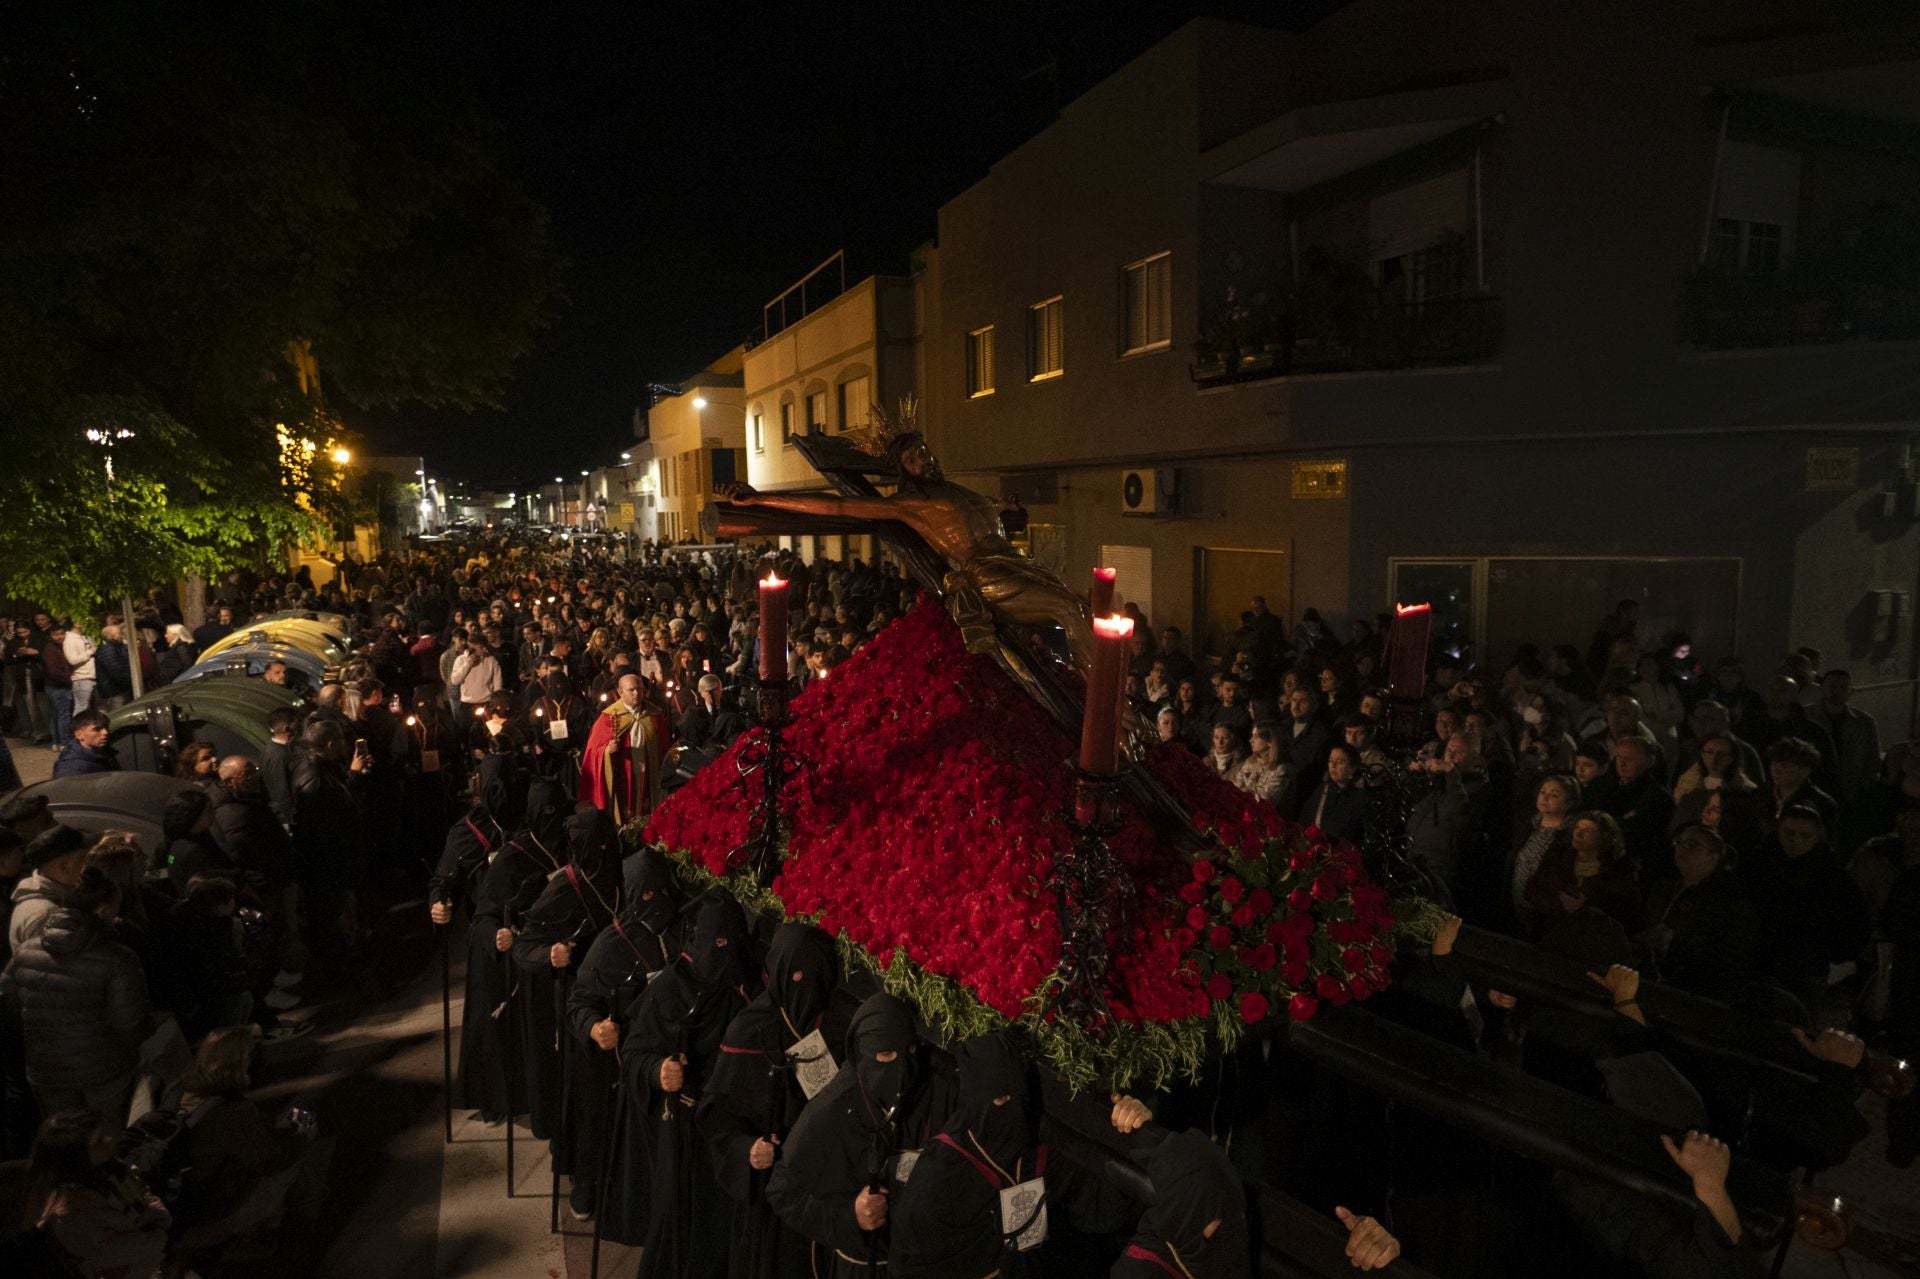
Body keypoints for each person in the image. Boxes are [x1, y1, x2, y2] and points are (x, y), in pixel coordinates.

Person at [697, 922, 842, 1278]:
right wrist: (747, 1149)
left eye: (813, 976)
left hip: (821, 1189)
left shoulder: (835, 1028)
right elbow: (717, 1116)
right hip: (768, 1192)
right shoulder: (749, 1031)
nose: (803, 986)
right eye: (794, 975)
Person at [767, 992, 943, 1278]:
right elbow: (782, 1192)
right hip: (862, 1266)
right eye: (885, 1056)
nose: (900, 1068)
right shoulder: (832, 1108)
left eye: (909, 1051)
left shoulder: (924, 1083)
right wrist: (852, 1214)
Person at [624, 888, 752, 1276]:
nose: (721, 952)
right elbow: (634, 1053)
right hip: (684, 1128)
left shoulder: (745, 985)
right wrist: (658, 1070)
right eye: (715, 943)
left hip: (731, 1127)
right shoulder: (668, 988)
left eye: (729, 943)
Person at [565, 843, 684, 1245]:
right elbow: (578, 1004)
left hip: (670, 1052)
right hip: (621, 1063)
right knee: (599, 1121)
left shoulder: (683, 927)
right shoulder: (609, 946)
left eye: (661, 892)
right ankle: (589, 1181)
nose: (655, 901)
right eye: (646, 894)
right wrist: (595, 1028)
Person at [512, 805, 625, 1223]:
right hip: (582, 1005)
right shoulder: (564, 887)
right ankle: (586, 1176)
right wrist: (550, 954)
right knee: (587, 1094)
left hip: (624, 994)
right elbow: (525, 945)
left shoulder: (623, 876)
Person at [1, 866, 151, 1128]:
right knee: (105, 1136)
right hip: (104, 1069)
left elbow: (9, 1005)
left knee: (66, 1139)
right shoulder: (117, 958)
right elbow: (130, 1025)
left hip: (47, 1069)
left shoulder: (25, 952)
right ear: (103, 910)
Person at [167, 1026, 311, 1258]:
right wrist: (300, 1136)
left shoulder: (182, 1092)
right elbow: (272, 1162)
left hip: (175, 1207)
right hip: (201, 1219)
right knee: (291, 1158)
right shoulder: (233, 1112)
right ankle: (262, 1231)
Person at [1744, 805, 1869, 1011]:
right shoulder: (1755, 865)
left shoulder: (1833, 878)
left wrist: (1826, 951)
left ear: (1817, 836)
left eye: (1805, 835)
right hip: (1757, 961)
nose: (1796, 841)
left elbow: (1854, 922)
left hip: (1805, 968)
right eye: (1789, 833)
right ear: (1778, 830)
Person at [24, 1109, 171, 1279]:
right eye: (99, 1141)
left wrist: (158, 1212)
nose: (110, 1139)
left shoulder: (108, 1166)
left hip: (147, 1248)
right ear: (75, 1157)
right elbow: (109, 1252)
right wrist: (158, 1236)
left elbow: (141, 1189)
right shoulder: (70, 1212)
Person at [1641, 826, 1760, 1000]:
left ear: (1713, 857)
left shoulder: (1726, 902)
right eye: (1679, 843)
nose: (1682, 849)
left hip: (1689, 988)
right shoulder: (1663, 889)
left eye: (1693, 845)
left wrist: (1673, 941)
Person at [578, 673, 674, 825]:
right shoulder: (608, 717)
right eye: (631, 690)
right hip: (623, 775)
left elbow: (665, 747)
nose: (636, 693)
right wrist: (607, 750)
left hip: (649, 775)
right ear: (620, 692)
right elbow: (592, 752)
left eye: (639, 689)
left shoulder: (654, 715)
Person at [1525, 810, 1640, 931]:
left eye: (1588, 831)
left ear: (1603, 837)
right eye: (1577, 828)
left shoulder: (1618, 870)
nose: (1578, 834)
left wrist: (1586, 909)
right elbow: (1531, 889)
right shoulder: (1559, 857)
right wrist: (1559, 905)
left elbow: (1627, 910)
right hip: (1552, 931)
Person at [9, 824, 92, 954]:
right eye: (83, 859)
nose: (88, 865)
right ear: (64, 867)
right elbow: (50, 964)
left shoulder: (48, 898)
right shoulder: (46, 915)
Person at [1299, 743, 1366, 846]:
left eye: (1339, 762)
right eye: (1330, 760)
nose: (1333, 765)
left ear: (1352, 768)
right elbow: (1304, 821)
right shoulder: (1322, 790)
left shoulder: (1359, 798)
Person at [1230, 722, 1292, 809]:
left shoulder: (1282, 769)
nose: (1250, 740)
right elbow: (1235, 787)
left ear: (1270, 741)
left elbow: (1267, 800)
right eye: (1252, 736)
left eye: (1255, 737)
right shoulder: (1250, 762)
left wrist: (1245, 792)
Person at [51, 711, 118, 779]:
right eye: (97, 729)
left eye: (106, 727)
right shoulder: (71, 769)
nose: (105, 732)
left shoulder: (105, 750)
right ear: (79, 735)